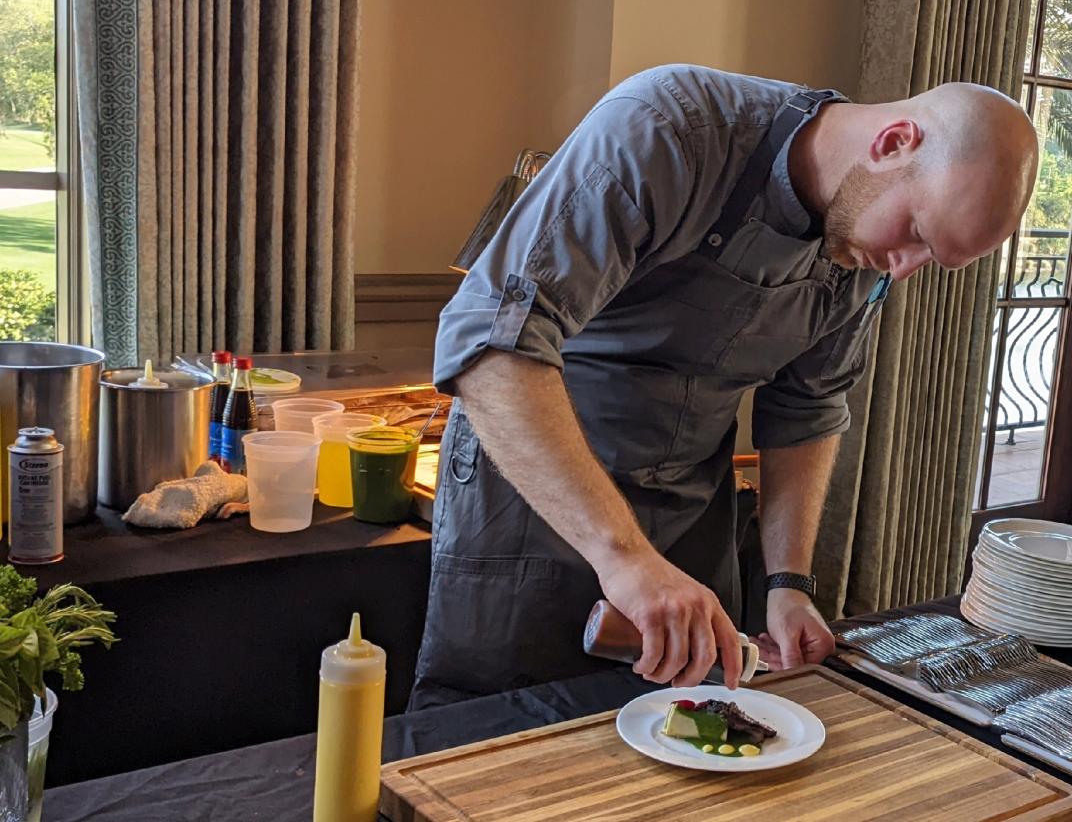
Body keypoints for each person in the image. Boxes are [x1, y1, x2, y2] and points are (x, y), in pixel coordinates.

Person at [411, 64, 1037, 708]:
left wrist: (787, 582)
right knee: (499, 741)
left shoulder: (863, 246)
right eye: (916, 234)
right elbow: (492, 343)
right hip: (531, 507)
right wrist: (624, 555)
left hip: (689, 510)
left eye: (932, 259)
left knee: (685, 742)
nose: (903, 270)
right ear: (892, 143)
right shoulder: (667, 128)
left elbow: (809, 406)